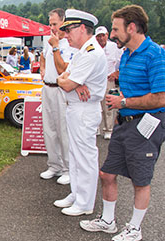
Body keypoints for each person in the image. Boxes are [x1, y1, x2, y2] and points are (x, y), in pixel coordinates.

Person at [79, 5, 165, 241]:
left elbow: (161, 98)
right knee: (107, 173)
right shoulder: (126, 54)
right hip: (124, 122)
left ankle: (135, 228)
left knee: (140, 180)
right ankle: (108, 221)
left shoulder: (155, 54)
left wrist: (124, 101)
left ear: (132, 27)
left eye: (116, 29)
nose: (112, 34)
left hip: (147, 124)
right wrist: (120, 107)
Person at [56, 9, 107, 216]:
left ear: (83, 28)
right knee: (75, 155)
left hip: (84, 110)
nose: (66, 35)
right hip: (76, 109)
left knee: (85, 157)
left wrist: (70, 83)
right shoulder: (82, 52)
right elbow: (63, 77)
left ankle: (85, 203)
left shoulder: (92, 53)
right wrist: (73, 83)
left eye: (69, 30)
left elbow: (65, 83)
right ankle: (76, 194)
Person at [39, 8, 77, 185]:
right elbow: (42, 57)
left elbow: (63, 69)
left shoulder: (68, 44)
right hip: (47, 88)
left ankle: (68, 168)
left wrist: (55, 46)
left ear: (64, 23)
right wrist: (42, 69)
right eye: (50, 23)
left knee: (63, 130)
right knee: (49, 129)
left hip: (62, 90)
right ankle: (54, 165)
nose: (52, 27)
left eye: (54, 24)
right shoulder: (50, 43)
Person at [95, 26, 124, 140]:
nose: (101, 38)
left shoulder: (114, 47)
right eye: (99, 36)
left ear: (107, 35)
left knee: (109, 105)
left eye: (103, 35)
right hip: (96, 80)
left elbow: (122, 61)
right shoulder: (93, 47)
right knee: (96, 105)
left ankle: (109, 129)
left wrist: (116, 73)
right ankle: (96, 128)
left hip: (109, 81)